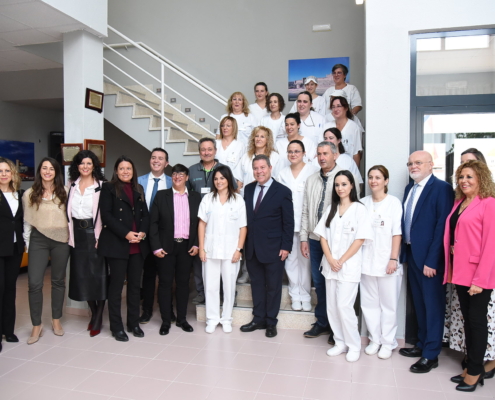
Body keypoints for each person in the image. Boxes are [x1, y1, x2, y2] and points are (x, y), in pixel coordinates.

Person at [398, 150, 454, 373]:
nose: (413, 166)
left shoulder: (442, 189)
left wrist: (433, 260)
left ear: (431, 165)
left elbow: (443, 227)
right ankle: (421, 344)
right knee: (419, 304)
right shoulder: (409, 188)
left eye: (418, 162)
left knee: (432, 306)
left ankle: (431, 354)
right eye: (410, 163)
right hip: (412, 255)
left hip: (430, 259)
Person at [443, 160, 495, 392]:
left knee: (476, 323)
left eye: (469, 177)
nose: (464, 181)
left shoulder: (489, 204)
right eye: (461, 177)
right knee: (468, 323)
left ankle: (475, 371)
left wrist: (480, 281)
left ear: (481, 179)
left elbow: (491, 245)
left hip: (477, 276)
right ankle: (470, 367)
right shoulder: (460, 203)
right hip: (460, 272)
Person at [300, 142, 360, 342]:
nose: (322, 157)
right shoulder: (311, 179)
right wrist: (304, 237)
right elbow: (306, 210)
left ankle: (339, 329)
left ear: (335, 155)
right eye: (319, 154)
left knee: (336, 285)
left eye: (325, 153)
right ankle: (323, 322)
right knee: (319, 283)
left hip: (338, 243)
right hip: (316, 240)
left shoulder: (344, 179)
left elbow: (352, 207)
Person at [314, 170, 373, 362]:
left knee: (344, 306)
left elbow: (360, 239)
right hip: (330, 265)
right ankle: (339, 342)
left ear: (352, 186)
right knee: (331, 306)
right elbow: (322, 236)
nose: (340, 188)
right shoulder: (332, 208)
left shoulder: (359, 209)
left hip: (348, 266)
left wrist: (341, 260)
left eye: (344, 184)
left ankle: (353, 345)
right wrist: (330, 258)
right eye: (337, 185)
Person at [240, 155, 294, 338]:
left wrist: (286, 246)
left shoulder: (283, 191)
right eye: (256, 168)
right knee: (256, 285)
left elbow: (288, 222)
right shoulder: (247, 190)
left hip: (274, 248)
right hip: (252, 248)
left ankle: (271, 322)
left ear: (270, 168)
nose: (259, 171)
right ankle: (258, 319)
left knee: (273, 286)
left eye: (262, 167)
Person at [98, 156, 150, 342]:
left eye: (129, 168)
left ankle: (133, 323)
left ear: (133, 171)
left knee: (135, 287)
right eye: (122, 168)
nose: (125, 171)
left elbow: (145, 214)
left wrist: (142, 232)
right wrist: (127, 233)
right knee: (117, 287)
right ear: (116, 171)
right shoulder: (108, 188)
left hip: (138, 245)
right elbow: (107, 216)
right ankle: (117, 327)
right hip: (118, 244)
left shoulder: (138, 188)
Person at [149, 164, 201, 335]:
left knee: (183, 284)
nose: (177, 176)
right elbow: (153, 223)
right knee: (164, 284)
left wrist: (196, 244)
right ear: (171, 177)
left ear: (187, 177)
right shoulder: (161, 195)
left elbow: (199, 224)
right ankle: (166, 321)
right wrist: (156, 247)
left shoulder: (195, 197)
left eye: (181, 174)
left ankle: (182, 319)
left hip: (186, 247)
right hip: (165, 247)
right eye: (175, 174)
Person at [22, 157, 70, 344]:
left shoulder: (65, 192)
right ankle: (36, 325)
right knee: (34, 283)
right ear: (39, 171)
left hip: (61, 239)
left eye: (51, 168)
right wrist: (28, 243)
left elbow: (70, 217)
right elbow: (27, 220)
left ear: (56, 171)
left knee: (58, 281)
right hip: (38, 240)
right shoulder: (30, 194)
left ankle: (56, 320)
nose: (48, 171)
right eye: (44, 168)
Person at [187, 137, 237, 305]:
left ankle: (227, 292)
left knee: (224, 258)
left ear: (215, 151)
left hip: (222, 222)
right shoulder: (192, 170)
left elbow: (233, 191)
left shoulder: (223, 169)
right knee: (200, 258)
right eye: (203, 149)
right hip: (199, 221)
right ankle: (202, 291)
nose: (206, 152)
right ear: (199, 151)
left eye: (210, 149)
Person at [360, 165, 403, 360]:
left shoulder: (394, 203)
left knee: (388, 305)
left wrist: (393, 258)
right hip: (366, 261)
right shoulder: (362, 203)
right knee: (369, 304)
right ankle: (374, 339)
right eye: (370, 177)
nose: (373, 181)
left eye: (378, 177)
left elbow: (397, 233)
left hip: (387, 261)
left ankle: (388, 342)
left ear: (386, 181)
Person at [198, 166, 247, 333]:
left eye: (222, 178)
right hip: (210, 250)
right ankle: (212, 319)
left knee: (229, 286)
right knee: (210, 286)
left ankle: (226, 319)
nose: (219, 181)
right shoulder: (208, 199)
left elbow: (243, 227)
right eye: (216, 178)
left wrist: (239, 249)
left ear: (228, 179)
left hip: (231, 251)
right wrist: (202, 249)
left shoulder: (238, 200)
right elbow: (202, 224)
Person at [66, 150, 107, 337]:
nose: (85, 166)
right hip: (77, 235)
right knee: (82, 276)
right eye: (82, 163)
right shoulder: (71, 186)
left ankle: (98, 316)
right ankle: (93, 311)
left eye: (89, 163)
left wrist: (101, 237)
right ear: (77, 166)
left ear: (94, 166)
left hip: (95, 234)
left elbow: (105, 214)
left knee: (98, 277)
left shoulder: (101, 186)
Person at [277, 141, 318, 311]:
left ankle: (306, 296)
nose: (293, 154)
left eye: (297, 151)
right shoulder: (282, 173)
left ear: (304, 153)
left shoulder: (312, 171)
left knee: (306, 262)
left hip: (306, 226)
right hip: (287, 225)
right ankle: (295, 294)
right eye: (290, 152)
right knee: (291, 262)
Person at [137, 148, 172, 324]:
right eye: (153, 158)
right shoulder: (139, 181)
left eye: (160, 158)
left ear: (166, 163)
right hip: (144, 236)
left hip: (165, 236)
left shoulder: (173, 182)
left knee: (166, 275)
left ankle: (167, 309)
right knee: (148, 274)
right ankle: (147, 310)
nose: (156, 161)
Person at [0, 157, 24, 351]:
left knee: (10, 290)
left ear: (13, 174)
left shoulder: (19, 195)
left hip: (15, 249)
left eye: (7, 171)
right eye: (0, 171)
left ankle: (8, 330)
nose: (4, 174)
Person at [235, 126, 281, 197]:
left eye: (262, 137)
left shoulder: (275, 157)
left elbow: (278, 179)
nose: (258, 139)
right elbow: (239, 180)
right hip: (247, 196)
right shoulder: (246, 156)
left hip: (268, 196)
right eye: (256, 136)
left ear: (268, 140)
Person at [324, 96, 362, 167]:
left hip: (347, 167)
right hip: (329, 166)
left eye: (339, 106)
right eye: (333, 107)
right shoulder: (327, 126)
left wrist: (355, 173)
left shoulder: (354, 127)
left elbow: (356, 153)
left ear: (346, 108)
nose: (335, 109)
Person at [215, 116, 246, 180]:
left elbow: (242, 166)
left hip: (233, 180)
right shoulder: (215, 144)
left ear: (234, 128)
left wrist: (239, 181)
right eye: (222, 125)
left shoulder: (240, 145)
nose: (225, 128)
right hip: (216, 180)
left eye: (228, 126)